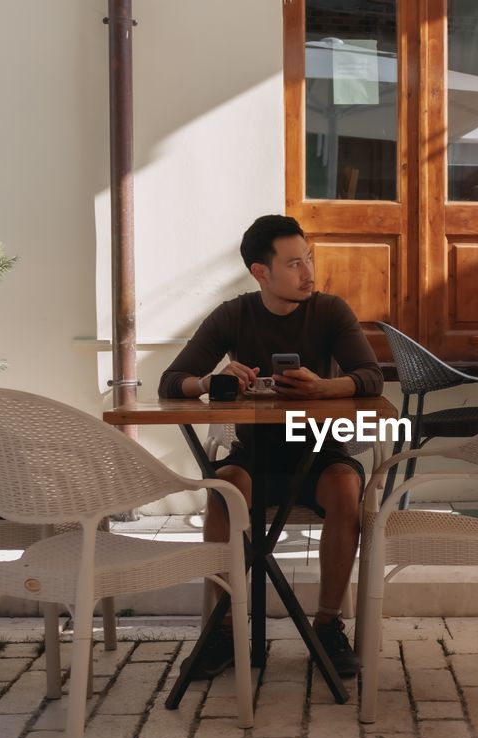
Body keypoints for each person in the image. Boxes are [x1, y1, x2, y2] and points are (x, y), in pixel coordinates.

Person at [159, 214, 383, 677]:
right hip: (254, 458)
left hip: (321, 453)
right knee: (224, 487)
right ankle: (224, 630)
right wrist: (209, 380)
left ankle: (326, 626)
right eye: (295, 264)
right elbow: (170, 382)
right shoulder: (233, 315)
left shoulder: (330, 311)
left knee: (345, 490)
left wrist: (323, 388)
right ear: (261, 272)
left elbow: (371, 376)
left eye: (309, 260)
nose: (308, 273)